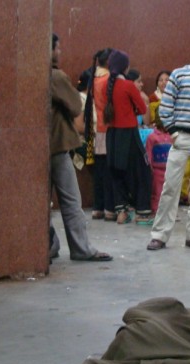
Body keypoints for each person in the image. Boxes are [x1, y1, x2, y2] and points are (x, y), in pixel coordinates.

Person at [49, 33, 112, 262]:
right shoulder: (56, 76)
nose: (60, 52)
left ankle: (49, 244)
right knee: (71, 200)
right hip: (58, 144)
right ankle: (81, 248)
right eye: (57, 48)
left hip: (40, 146)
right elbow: (76, 106)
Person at [147, 40, 190, 251]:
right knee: (171, 187)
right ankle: (159, 235)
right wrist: (173, 133)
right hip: (181, 137)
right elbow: (165, 107)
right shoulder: (180, 75)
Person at [101, 50, 153, 225]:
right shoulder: (128, 86)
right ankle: (142, 212)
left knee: (117, 172)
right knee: (141, 171)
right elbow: (143, 109)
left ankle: (121, 212)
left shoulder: (105, 86)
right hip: (129, 133)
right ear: (125, 67)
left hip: (112, 134)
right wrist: (131, 109)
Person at [85, 48, 116, 221]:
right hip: (108, 127)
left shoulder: (93, 78)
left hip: (96, 127)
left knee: (99, 170)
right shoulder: (108, 79)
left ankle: (98, 207)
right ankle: (110, 208)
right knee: (109, 170)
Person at [146, 104, 172, 212]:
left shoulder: (171, 136)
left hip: (170, 170)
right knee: (157, 191)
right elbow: (148, 154)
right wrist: (150, 168)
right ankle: (156, 211)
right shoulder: (152, 137)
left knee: (170, 191)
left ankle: (169, 211)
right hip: (157, 171)